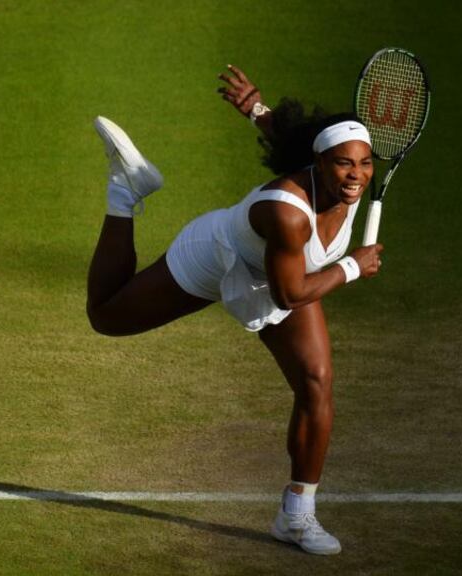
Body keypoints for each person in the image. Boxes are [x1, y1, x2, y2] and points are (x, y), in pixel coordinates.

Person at [85, 65, 384, 555]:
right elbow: (290, 296)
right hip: (219, 258)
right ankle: (126, 189)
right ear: (319, 163)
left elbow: (293, 140)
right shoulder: (286, 212)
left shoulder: (347, 183)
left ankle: (296, 514)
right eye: (343, 164)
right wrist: (352, 265)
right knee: (105, 318)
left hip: (287, 275)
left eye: (365, 163)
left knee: (316, 381)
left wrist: (256, 110)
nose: (356, 175)